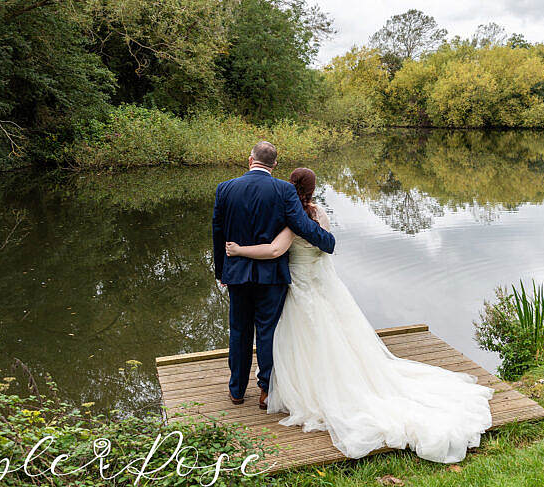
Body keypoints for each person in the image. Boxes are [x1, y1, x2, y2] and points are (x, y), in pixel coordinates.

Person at [224, 166, 493, 463]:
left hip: (298, 286)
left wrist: (238, 251)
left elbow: (276, 251)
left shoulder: (289, 220)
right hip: (317, 283)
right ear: (313, 190)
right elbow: (327, 244)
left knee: (288, 335)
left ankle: (280, 389)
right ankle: (276, 386)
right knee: (325, 334)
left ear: (289, 187)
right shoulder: (319, 214)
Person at [211, 142, 335, 410]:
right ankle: (265, 390)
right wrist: (327, 242)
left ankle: (236, 390)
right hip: (272, 276)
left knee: (239, 331)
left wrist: (221, 270)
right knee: (268, 332)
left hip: (237, 274)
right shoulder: (284, 190)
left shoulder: (225, 188)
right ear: (275, 164)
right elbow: (301, 225)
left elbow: (218, 234)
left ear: (249, 159)